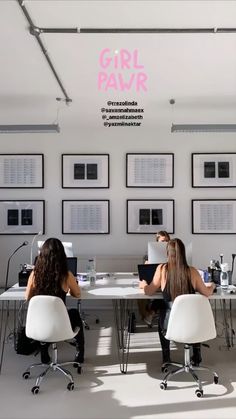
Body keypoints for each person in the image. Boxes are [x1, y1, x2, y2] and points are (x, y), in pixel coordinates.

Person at [139, 238, 216, 366]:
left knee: (163, 309)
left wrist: (143, 284)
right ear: (183, 253)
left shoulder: (162, 269)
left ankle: (166, 358)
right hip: (193, 325)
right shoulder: (192, 271)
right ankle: (196, 356)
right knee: (194, 313)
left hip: (169, 325)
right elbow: (207, 293)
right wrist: (212, 286)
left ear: (167, 253)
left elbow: (149, 291)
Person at [25, 237, 84, 365]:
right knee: (74, 313)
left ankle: (44, 352)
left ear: (42, 255)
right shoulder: (66, 275)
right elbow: (77, 294)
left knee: (44, 316)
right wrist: (69, 287)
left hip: (39, 322)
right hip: (60, 323)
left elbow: (27, 297)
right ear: (62, 255)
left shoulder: (34, 274)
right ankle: (80, 352)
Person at [143, 231, 170, 326]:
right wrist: (147, 264)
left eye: (167, 241)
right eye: (163, 241)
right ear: (157, 242)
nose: (165, 243)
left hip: (167, 283)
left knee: (165, 295)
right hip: (155, 281)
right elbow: (145, 271)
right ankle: (153, 313)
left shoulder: (173, 254)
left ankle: (152, 312)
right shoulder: (150, 254)